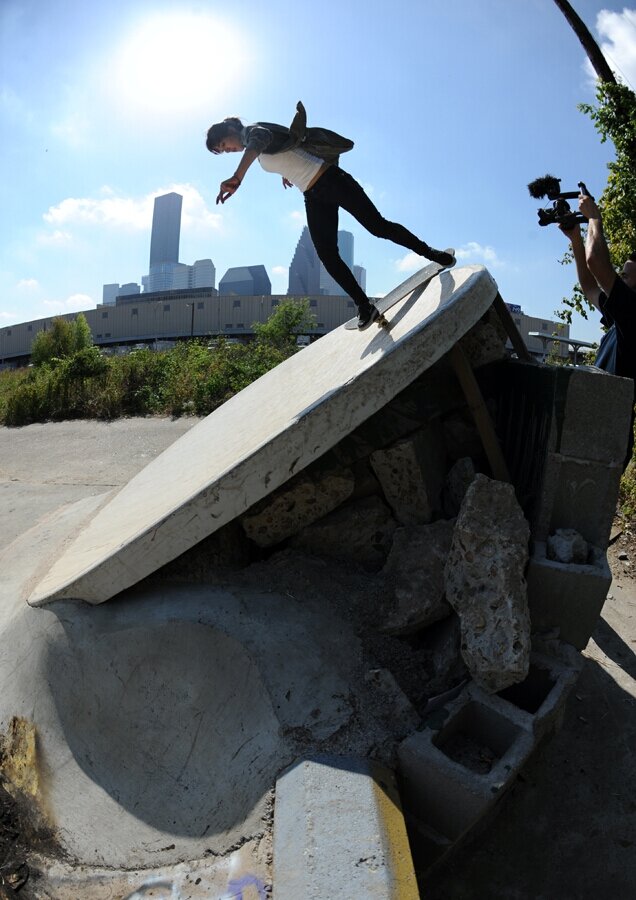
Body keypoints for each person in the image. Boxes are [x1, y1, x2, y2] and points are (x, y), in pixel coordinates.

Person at [206, 102, 454, 330]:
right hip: (313, 195)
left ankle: (432, 254)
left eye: (224, 146)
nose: (229, 150)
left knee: (378, 227)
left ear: (228, 130)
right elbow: (285, 149)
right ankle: (364, 306)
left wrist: (238, 177)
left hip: (333, 180)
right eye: (224, 152)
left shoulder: (251, 131)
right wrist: (286, 171)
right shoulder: (257, 151)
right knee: (327, 254)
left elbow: (260, 139)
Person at [561, 190, 636, 466]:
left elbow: (596, 263)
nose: (619, 277)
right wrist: (576, 238)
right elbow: (590, 287)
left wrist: (595, 218)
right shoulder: (621, 318)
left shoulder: (633, 313)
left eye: (625, 275)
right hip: (600, 428)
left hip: (608, 435)